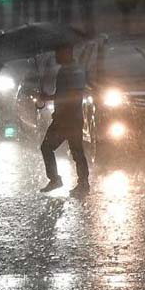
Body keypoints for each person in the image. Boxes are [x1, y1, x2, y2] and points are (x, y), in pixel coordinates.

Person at [39, 45, 90, 196]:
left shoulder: (74, 71)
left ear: (67, 52)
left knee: (65, 150)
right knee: (75, 151)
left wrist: (50, 98)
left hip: (69, 119)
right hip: (65, 118)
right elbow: (64, 93)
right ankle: (81, 183)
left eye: (58, 52)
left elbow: (73, 95)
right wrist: (49, 98)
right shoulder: (66, 70)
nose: (56, 56)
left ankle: (63, 180)